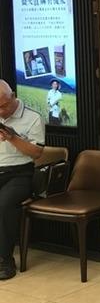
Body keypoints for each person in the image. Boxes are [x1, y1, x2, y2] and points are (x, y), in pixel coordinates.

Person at [0, 80, 43, 280]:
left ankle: (5, 260)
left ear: (13, 97)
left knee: (4, 204)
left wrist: (12, 138)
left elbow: (37, 152)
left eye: (3, 106)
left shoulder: (33, 117)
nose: (1, 111)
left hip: (20, 173)